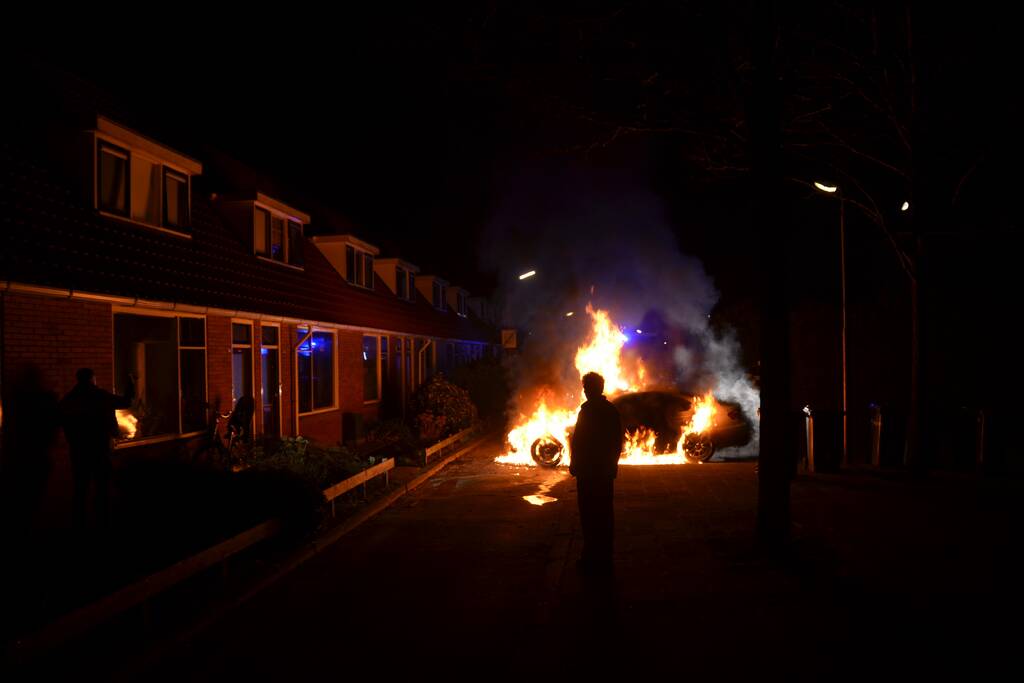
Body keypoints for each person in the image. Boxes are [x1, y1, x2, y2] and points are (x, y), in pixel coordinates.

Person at [58, 368, 133, 530]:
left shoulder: (69, 399)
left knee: (80, 489)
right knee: (102, 488)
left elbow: (61, 420)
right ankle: (103, 524)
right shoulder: (100, 395)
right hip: (99, 450)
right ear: (92, 379)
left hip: (78, 452)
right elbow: (126, 402)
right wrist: (130, 383)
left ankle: (79, 525)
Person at [569, 372, 624, 576]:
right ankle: (604, 556)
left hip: (589, 472)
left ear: (591, 389)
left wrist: (575, 464)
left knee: (589, 514)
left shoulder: (588, 411)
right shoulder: (611, 411)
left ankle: (591, 556)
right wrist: (611, 467)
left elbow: (580, 441)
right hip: (603, 472)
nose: (584, 390)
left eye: (586, 387)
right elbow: (616, 443)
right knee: (604, 514)